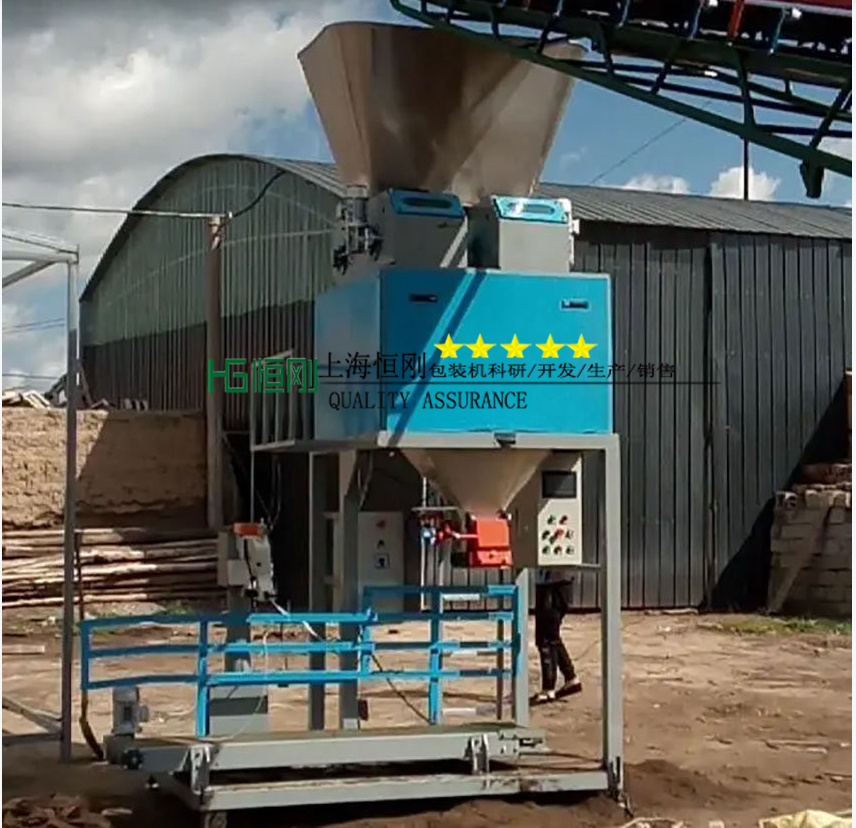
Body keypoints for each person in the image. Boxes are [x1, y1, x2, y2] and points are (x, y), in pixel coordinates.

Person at [533, 568, 582, 704]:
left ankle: (549, 688)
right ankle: (570, 677)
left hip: (553, 585)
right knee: (551, 635)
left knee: (546, 638)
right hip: (554, 584)